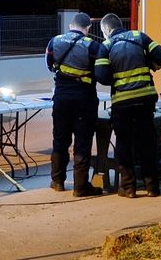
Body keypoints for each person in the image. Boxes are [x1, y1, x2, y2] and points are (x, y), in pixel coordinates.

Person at [95, 13, 161, 198]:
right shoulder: (139, 36)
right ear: (120, 25)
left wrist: (117, 76)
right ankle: (152, 187)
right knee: (147, 143)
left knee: (124, 144)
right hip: (145, 100)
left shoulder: (106, 46)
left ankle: (128, 188)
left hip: (122, 102)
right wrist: (150, 65)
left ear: (106, 30)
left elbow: (102, 76)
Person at [45, 12, 103, 197]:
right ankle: (80, 186)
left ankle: (58, 181)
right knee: (82, 142)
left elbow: (49, 64)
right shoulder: (93, 46)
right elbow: (100, 71)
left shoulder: (54, 41)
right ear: (87, 28)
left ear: (71, 25)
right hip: (84, 99)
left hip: (61, 98)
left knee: (60, 140)